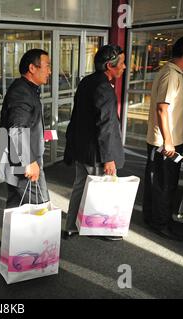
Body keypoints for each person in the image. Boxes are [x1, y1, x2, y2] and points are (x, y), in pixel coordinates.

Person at [63, 45, 126, 241]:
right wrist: (109, 159)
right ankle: (102, 229)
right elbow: (106, 126)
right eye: (122, 63)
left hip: (82, 149)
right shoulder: (104, 88)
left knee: (80, 185)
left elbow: (78, 116)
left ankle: (71, 226)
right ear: (109, 65)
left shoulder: (86, 82)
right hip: (97, 153)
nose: (124, 67)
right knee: (103, 190)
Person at [143, 36, 183, 241]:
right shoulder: (171, 74)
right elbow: (162, 108)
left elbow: (169, 98)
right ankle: (160, 224)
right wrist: (168, 141)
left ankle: (155, 218)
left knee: (157, 181)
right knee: (164, 183)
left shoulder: (173, 73)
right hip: (165, 142)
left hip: (164, 140)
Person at [0, 49, 51, 208]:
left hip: (17, 160)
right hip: (23, 162)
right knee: (39, 206)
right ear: (32, 68)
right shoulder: (22, 92)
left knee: (17, 207)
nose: (49, 71)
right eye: (46, 66)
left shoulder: (27, 89)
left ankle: (15, 233)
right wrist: (29, 161)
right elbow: (17, 128)